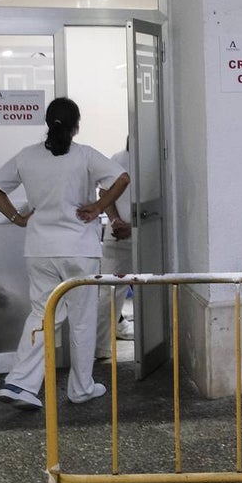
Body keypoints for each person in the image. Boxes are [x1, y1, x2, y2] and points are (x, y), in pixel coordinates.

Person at [0, 97, 130, 411]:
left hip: (40, 250)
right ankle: (81, 388)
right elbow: (122, 178)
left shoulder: (27, 157)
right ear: (77, 126)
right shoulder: (86, 155)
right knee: (81, 320)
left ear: (48, 124)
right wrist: (99, 208)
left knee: (41, 313)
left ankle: (20, 383)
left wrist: (17, 218)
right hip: (79, 250)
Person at [95, 144, 135, 358]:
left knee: (109, 292)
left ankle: (100, 348)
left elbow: (103, 193)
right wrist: (126, 225)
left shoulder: (116, 158)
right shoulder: (152, 160)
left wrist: (115, 220)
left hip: (116, 233)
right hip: (134, 235)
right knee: (151, 289)